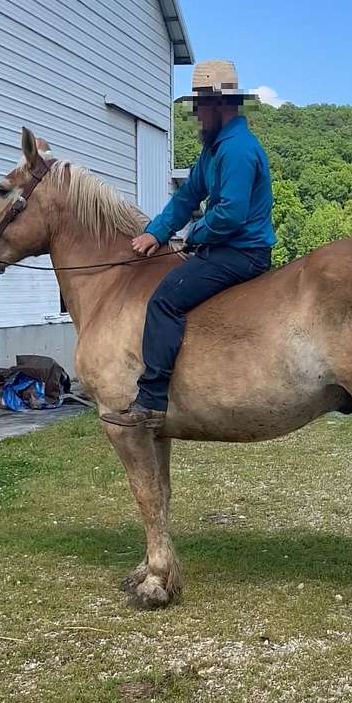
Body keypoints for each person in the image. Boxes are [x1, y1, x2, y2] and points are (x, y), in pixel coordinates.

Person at [101, 60, 275, 429]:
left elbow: (230, 214)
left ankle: (150, 401)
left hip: (241, 252)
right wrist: (156, 232)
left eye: (199, 105)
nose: (196, 114)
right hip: (225, 248)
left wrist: (192, 236)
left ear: (219, 105)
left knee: (164, 300)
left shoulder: (237, 149)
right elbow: (186, 198)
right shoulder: (213, 151)